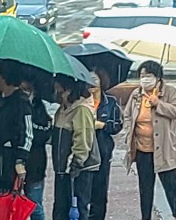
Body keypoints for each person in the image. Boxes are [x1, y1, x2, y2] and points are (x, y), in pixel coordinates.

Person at [121, 61, 176, 220]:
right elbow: (128, 114)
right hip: (143, 149)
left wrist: (158, 104)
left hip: (164, 149)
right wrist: (129, 131)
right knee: (145, 188)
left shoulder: (169, 92)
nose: (145, 80)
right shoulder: (137, 94)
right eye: (142, 76)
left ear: (157, 78)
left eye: (148, 76)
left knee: (171, 185)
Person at [51, 75, 99, 220]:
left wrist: (76, 163)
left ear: (68, 90)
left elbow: (83, 140)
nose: (56, 90)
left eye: (59, 86)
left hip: (79, 170)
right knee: (60, 209)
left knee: (77, 210)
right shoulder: (62, 110)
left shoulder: (81, 110)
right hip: (62, 168)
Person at [0, 62, 33, 198]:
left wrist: (20, 160)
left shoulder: (21, 102)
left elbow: (27, 133)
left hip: (9, 164)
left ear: (6, 78)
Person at [89, 70, 122, 220]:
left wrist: (102, 125)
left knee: (100, 189)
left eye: (95, 79)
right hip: (85, 150)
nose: (93, 82)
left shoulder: (110, 101)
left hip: (103, 150)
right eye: (89, 79)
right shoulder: (82, 100)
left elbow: (117, 125)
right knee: (83, 189)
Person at [20, 74, 52, 220]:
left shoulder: (39, 107)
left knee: (35, 205)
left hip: (35, 164)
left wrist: (28, 127)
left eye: (27, 89)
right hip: (14, 163)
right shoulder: (13, 104)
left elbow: (44, 134)